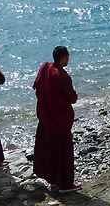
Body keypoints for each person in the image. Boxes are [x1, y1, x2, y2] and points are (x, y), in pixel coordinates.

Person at [32, 46, 82, 193]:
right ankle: (65, 184)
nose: (69, 59)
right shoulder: (61, 75)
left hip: (46, 116)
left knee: (50, 149)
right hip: (59, 119)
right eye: (68, 56)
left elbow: (38, 89)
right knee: (63, 151)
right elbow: (72, 98)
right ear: (64, 57)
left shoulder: (45, 69)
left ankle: (53, 180)